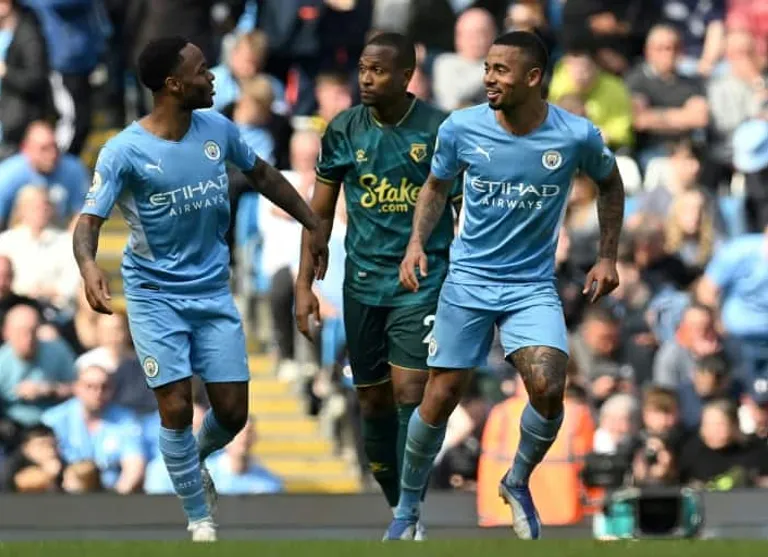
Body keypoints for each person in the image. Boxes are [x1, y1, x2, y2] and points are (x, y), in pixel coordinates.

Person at [71, 36, 318, 542]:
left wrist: (313, 222)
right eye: (202, 70)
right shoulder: (124, 151)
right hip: (154, 294)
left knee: (233, 412)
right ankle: (198, 518)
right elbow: (88, 221)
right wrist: (89, 264)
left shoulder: (218, 129)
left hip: (212, 291)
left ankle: (193, 460)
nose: (212, 77)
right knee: (177, 407)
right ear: (173, 85)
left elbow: (264, 175)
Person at [388, 31, 626, 540]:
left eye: (501, 70)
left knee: (550, 386)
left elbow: (610, 182)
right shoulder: (461, 127)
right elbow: (436, 186)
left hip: (530, 286)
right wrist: (416, 243)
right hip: (468, 281)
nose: (489, 78)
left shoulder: (574, 135)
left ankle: (516, 480)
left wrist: (607, 256)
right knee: (441, 395)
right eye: (488, 68)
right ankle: (407, 509)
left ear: (533, 77)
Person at [295, 32, 461, 541]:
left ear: (406, 76)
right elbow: (318, 212)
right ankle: (400, 508)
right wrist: (303, 284)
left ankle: (410, 510)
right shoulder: (344, 129)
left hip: (422, 280)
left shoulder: (439, 128)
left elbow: (463, 207)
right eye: (363, 69)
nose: (366, 78)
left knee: (411, 389)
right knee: (372, 401)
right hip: (362, 282)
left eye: (379, 70)